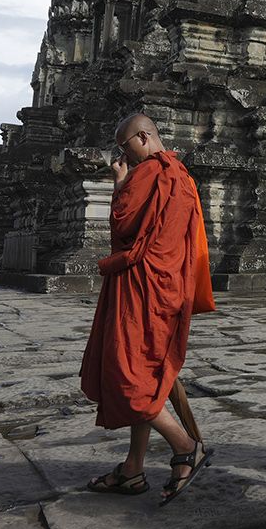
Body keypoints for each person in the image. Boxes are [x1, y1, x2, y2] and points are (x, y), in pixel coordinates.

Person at [80, 113, 216, 504]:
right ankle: (132, 469)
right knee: (148, 373)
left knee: (128, 374)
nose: (124, 156)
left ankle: (185, 445)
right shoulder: (183, 176)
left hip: (141, 291)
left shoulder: (147, 175)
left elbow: (124, 228)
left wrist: (120, 185)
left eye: (124, 148)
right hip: (168, 288)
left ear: (142, 137)